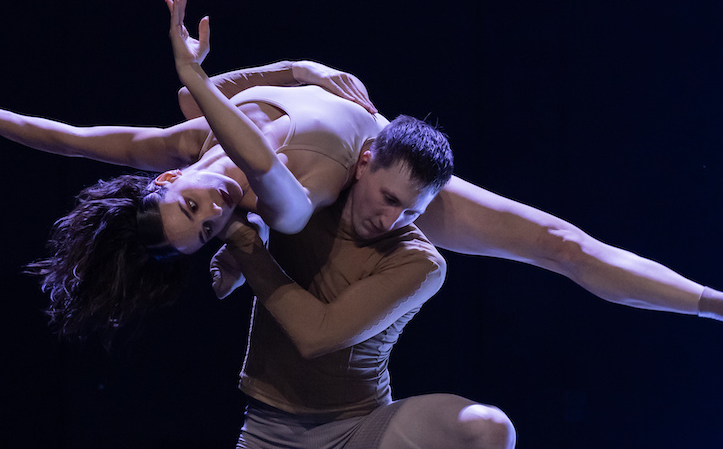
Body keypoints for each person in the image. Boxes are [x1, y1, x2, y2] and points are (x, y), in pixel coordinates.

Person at [0, 0, 723, 360]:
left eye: (199, 210)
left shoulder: (181, 147)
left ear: (172, 187)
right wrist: (199, 78)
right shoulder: (270, 191)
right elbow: (257, 160)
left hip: (368, 155)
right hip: (346, 193)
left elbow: (78, 138)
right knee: (547, 244)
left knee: (560, 240)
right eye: (211, 228)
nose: (216, 207)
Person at [212, 115, 517, 448]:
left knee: (491, 429)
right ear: (364, 163)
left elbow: (316, 336)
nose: (390, 221)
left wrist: (243, 244)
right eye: (389, 198)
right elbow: (217, 158)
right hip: (267, 429)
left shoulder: (421, 263)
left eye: (411, 212)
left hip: (360, 429)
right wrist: (302, 70)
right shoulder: (310, 193)